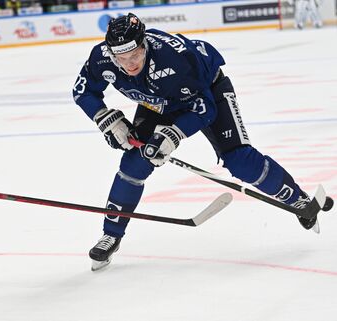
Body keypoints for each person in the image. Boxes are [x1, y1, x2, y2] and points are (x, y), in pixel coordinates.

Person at [72, 13, 333, 271]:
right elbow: (82, 90)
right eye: (122, 58)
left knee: (240, 161)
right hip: (157, 102)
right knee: (134, 162)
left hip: (208, 93)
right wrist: (105, 118)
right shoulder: (102, 58)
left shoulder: (175, 59)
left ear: (145, 45)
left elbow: (204, 109)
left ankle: (297, 199)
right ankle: (112, 234)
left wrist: (173, 135)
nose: (130, 65)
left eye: (136, 55)